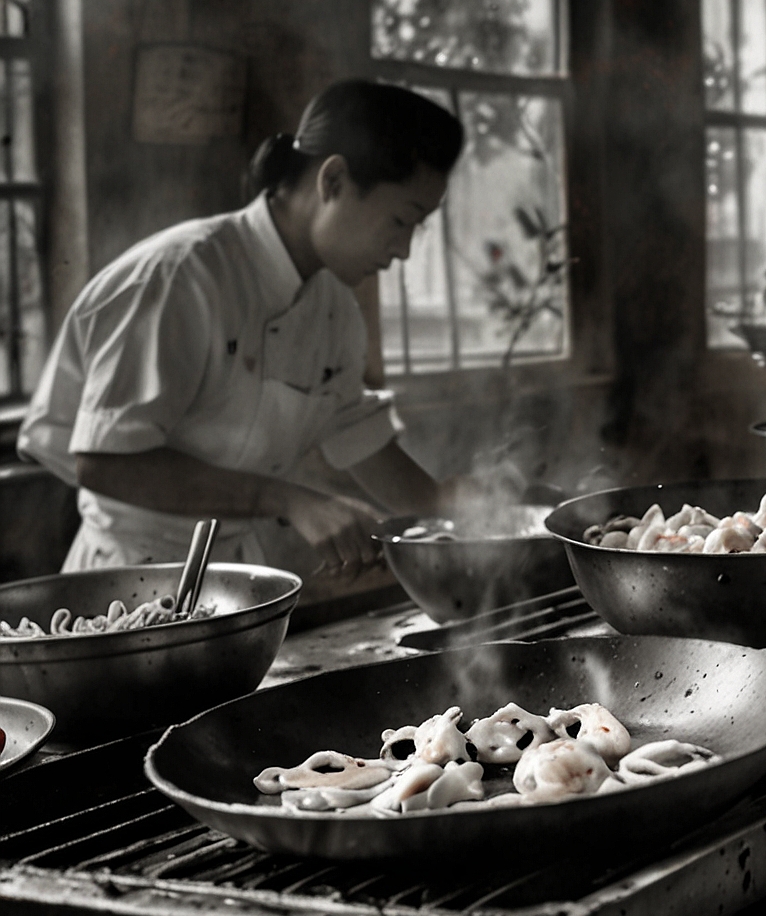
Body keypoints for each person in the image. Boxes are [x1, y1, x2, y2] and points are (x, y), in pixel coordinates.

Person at [22, 79, 474, 578]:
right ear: (334, 181)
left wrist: (465, 511)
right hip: (126, 576)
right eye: (401, 221)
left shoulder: (334, 309)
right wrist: (289, 500)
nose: (404, 250)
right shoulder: (181, 277)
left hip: (233, 579)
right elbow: (104, 462)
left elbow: (355, 434)